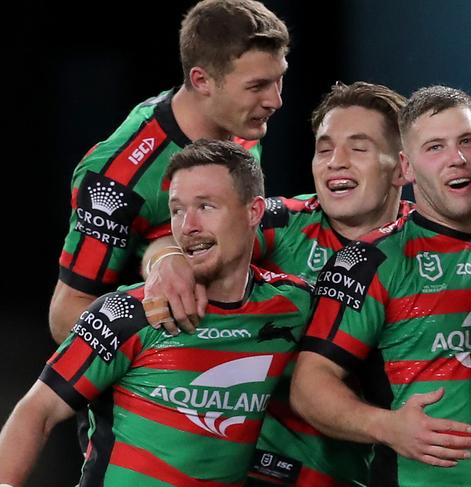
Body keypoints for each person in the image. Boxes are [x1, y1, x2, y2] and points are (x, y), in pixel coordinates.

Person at [0, 140, 312, 486]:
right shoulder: (127, 313)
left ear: (254, 212)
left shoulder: (292, 306)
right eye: (177, 210)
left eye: (206, 206)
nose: (187, 226)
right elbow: (36, 412)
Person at [148, 81, 412, 486]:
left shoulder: (431, 248)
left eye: (357, 148)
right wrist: (165, 261)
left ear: (401, 167)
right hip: (259, 468)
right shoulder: (283, 222)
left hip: (366, 471)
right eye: (324, 149)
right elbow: (194, 235)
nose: (335, 162)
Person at [290, 85, 471, 486]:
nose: (456, 159)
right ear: (406, 168)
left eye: (467, 142)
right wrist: (388, 426)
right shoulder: (370, 261)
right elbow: (308, 386)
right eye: (435, 147)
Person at [49, 0, 289, 345]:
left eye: (279, 80)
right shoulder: (116, 177)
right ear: (202, 80)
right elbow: (67, 313)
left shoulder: (239, 121)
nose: (275, 101)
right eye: (258, 86)